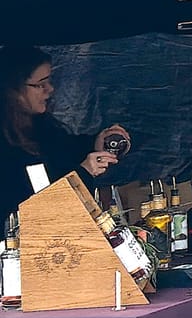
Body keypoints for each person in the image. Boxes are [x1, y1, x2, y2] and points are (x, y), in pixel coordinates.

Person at [1, 47, 130, 229]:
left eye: (49, 81)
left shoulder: (40, 127)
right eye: (41, 84)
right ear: (12, 90)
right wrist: (84, 172)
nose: (50, 89)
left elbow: (63, 150)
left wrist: (96, 143)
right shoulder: (6, 148)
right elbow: (39, 207)